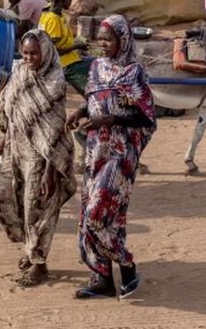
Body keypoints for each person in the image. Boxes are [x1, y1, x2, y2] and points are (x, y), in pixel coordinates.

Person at [68, 15, 157, 299]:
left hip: (121, 155)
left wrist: (108, 119)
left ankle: (127, 265)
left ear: (123, 40)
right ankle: (103, 279)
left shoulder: (134, 72)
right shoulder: (96, 67)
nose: (103, 44)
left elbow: (145, 116)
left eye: (109, 39)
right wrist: (82, 112)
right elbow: (94, 99)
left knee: (97, 215)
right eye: (101, 39)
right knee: (102, 217)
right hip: (95, 152)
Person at [0, 30, 76, 287]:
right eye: (25, 52)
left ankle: (40, 263)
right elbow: (11, 106)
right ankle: (29, 249)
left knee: (36, 209)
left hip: (41, 157)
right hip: (16, 150)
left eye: (34, 53)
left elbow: (55, 129)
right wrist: (3, 139)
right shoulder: (19, 72)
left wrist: (51, 170)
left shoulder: (54, 83)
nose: (29, 58)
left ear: (46, 53)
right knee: (3, 197)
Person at [39, 0, 90, 95]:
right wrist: (76, 46)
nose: (71, 1)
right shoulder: (54, 20)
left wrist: (75, 42)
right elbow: (53, 51)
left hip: (70, 59)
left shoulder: (49, 13)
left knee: (95, 62)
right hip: (65, 64)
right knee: (92, 89)